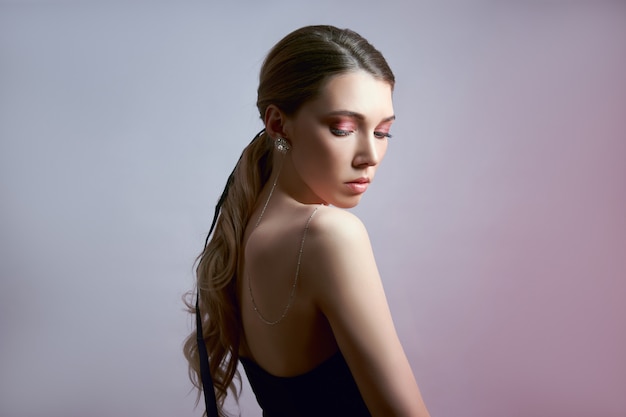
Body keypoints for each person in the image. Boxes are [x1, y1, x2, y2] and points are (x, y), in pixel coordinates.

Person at [184, 25, 431, 417]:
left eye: (384, 132)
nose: (370, 154)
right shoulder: (329, 235)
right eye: (343, 129)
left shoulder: (247, 221)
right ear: (278, 124)